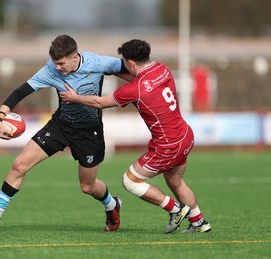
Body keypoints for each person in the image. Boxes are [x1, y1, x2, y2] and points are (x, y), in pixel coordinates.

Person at [0, 35, 133, 231]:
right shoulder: (51, 70)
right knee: (19, 165)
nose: (57, 68)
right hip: (60, 126)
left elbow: (134, 72)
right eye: (55, 63)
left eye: (61, 63)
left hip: (89, 132)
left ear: (75, 56)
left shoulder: (98, 62)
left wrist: (134, 95)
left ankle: (112, 205)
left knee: (88, 186)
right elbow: (19, 92)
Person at [60, 39, 211, 233]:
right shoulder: (162, 68)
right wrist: (109, 69)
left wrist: (75, 98)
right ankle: (199, 222)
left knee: (130, 180)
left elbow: (99, 102)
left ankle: (175, 209)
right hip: (185, 136)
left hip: (168, 145)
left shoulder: (135, 89)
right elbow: (139, 79)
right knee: (175, 181)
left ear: (130, 63)